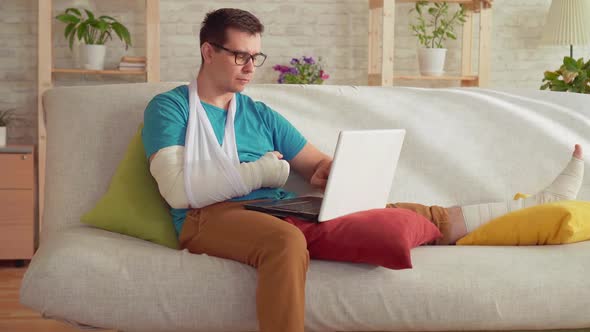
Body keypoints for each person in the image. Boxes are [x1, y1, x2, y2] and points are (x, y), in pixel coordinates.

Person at [142, 8, 584, 332]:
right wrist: (262, 172)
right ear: (207, 50)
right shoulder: (171, 107)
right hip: (207, 218)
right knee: (284, 241)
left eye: (256, 58)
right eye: (240, 56)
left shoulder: (259, 113)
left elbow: (313, 163)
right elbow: (181, 192)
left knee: (399, 214)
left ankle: (539, 209)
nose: (249, 68)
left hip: (278, 207)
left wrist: (336, 172)